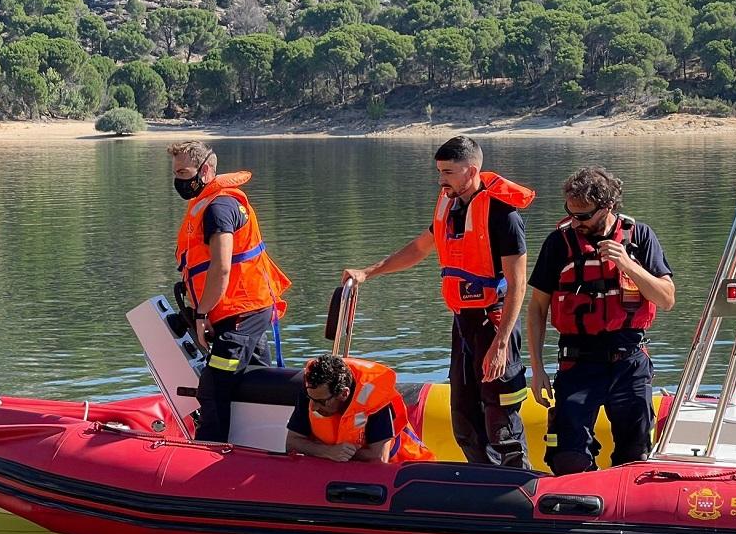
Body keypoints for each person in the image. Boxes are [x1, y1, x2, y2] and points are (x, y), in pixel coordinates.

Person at [343, 136, 534, 468]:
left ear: (470, 170)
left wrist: (502, 343)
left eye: (447, 172)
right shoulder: (449, 204)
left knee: (500, 422)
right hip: (462, 325)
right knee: (463, 422)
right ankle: (484, 482)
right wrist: (367, 272)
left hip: (494, 324)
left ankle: (518, 488)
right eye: (439, 172)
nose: (441, 179)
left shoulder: (503, 215)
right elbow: (419, 248)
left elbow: (518, 284)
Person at [526, 165, 675, 474]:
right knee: (569, 457)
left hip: (629, 362)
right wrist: (537, 368)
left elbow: (666, 299)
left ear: (607, 207)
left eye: (583, 215)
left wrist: (628, 264)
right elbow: (537, 308)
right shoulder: (558, 243)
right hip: (578, 363)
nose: (575, 221)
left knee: (635, 455)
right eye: (570, 211)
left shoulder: (640, 237)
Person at [169, 140, 292, 442]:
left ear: (206, 169)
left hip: (242, 310)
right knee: (254, 376)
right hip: (238, 309)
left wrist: (201, 314)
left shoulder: (219, 208)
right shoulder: (210, 204)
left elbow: (221, 268)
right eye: (176, 173)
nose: (180, 181)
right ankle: (263, 445)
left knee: (213, 387)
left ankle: (210, 456)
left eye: (185, 172)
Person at [287, 354, 434, 463]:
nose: (312, 407)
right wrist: (327, 451)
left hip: (404, 466)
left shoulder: (375, 398)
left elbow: (379, 458)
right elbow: (292, 443)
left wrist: (336, 454)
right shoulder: (313, 389)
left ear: (344, 393)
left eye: (321, 402)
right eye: (310, 399)